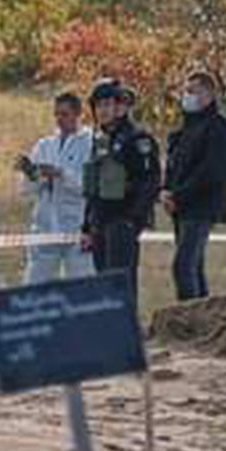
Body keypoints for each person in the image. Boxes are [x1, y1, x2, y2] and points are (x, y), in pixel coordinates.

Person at [162, 69, 226, 301]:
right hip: (180, 206)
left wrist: (179, 195)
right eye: (185, 91)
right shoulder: (187, 127)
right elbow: (175, 162)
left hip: (202, 206)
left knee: (183, 266)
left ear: (208, 94)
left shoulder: (220, 129)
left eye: (192, 91)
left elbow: (212, 172)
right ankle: (205, 317)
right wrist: (167, 191)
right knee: (194, 266)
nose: (186, 96)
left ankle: (190, 318)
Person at [81, 77, 162, 305]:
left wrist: (133, 219)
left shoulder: (137, 139)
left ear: (120, 106)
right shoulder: (100, 140)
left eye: (108, 104)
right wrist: (87, 226)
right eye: (98, 105)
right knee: (103, 285)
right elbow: (93, 187)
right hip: (100, 222)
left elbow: (150, 181)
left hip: (122, 220)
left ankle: (126, 335)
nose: (103, 111)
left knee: (120, 285)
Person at [18, 92, 94, 283]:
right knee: (35, 284)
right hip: (45, 226)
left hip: (77, 225)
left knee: (81, 286)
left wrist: (61, 174)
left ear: (79, 114)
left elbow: (91, 186)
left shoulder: (91, 143)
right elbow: (25, 191)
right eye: (57, 114)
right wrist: (31, 174)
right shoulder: (45, 145)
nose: (60, 119)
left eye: (65, 114)